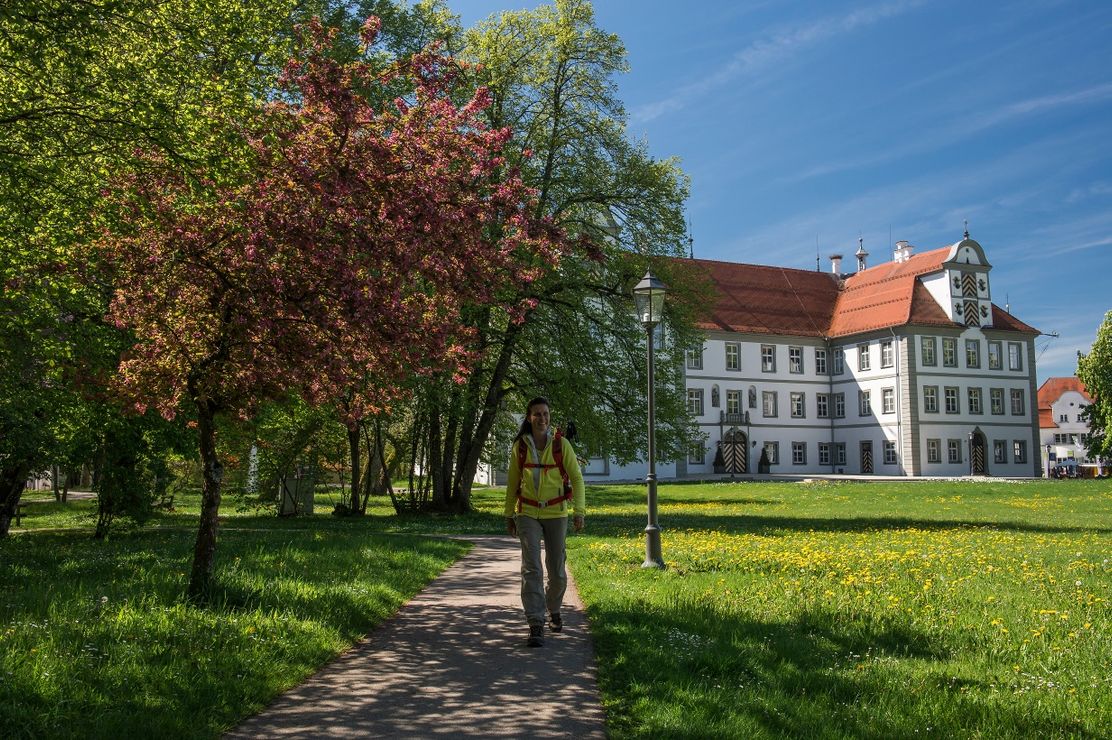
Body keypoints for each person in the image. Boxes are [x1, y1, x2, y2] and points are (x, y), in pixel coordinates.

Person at [504, 397, 585, 648]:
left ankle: (554, 608)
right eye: (537, 414)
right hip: (527, 512)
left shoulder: (562, 445)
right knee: (532, 568)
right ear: (529, 417)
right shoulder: (521, 446)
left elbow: (577, 478)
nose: (542, 418)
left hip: (556, 513)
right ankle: (536, 623)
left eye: (546, 414)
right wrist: (509, 514)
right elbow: (512, 482)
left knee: (557, 570)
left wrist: (579, 511)